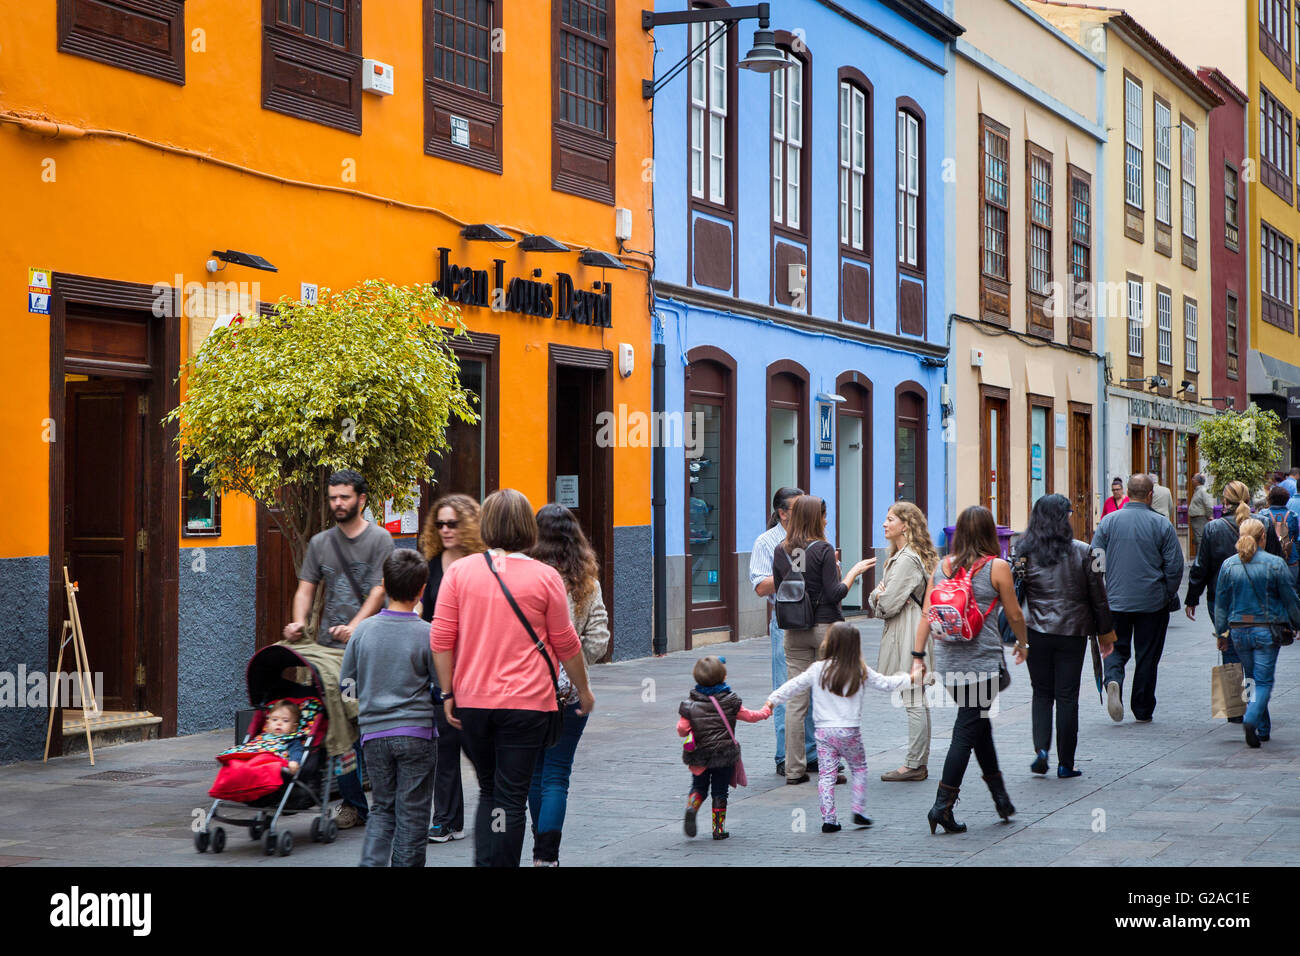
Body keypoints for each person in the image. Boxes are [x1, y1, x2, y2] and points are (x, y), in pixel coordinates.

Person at [430, 489, 594, 868]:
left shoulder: (459, 572)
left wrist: (447, 692)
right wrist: (583, 691)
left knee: (490, 791)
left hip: (472, 704)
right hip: (527, 706)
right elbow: (566, 641)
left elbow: (440, 637)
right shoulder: (545, 577)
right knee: (510, 795)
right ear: (526, 527)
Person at [284, 469, 394, 829]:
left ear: (361, 499)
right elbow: (306, 588)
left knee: (371, 726)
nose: (338, 504)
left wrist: (357, 626)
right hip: (331, 653)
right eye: (333, 498)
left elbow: (380, 590)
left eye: (344, 497)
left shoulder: (380, 541)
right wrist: (299, 621)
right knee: (342, 730)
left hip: (372, 648)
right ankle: (353, 804)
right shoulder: (320, 543)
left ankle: (384, 800)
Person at [913, 506, 1027, 834]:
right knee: (967, 730)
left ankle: (1001, 798)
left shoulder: (942, 566)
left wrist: (917, 655)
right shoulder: (997, 567)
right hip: (983, 664)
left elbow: (925, 614)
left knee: (978, 725)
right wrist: (1023, 644)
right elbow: (1015, 614)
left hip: (950, 664)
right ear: (991, 532)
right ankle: (941, 807)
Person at [766, 622, 912, 832]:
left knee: (827, 776)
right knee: (859, 768)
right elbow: (886, 683)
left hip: (824, 733)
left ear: (830, 643)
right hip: (850, 731)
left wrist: (772, 700)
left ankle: (829, 819)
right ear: (855, 646)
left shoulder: (818, 669)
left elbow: (794, 685)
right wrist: (910, 678)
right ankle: (858, 809)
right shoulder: (859, 669)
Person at [526, 503, 610, 866]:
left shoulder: (524, 578)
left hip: (526, 689)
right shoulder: (587, 583)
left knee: (533, 773)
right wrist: (574, 664)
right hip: (569, 690)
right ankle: (547, 857)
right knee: (558, 774)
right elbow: (599, 639)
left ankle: (538, 840)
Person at [341, 549, 437, 867]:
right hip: (416, 733)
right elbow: (440, 685)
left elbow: (347, 687)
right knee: (412, 814)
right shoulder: (427, 634)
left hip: (374, 736)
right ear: (422, 590)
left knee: (382, 809)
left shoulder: (363, 632)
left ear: (383, 584)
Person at [771, 495, 875, 785]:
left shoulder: (781, 550)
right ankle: (829, 769)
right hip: (825, 630)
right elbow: (834, 594)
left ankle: (794, 770)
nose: (827, 520)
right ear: (815, 518)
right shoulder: (823, 550)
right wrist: (852, 572)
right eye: (824, 515)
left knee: (795, 701)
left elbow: (781, 590)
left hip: (793, 631)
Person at [1017, 494, 1114, 778]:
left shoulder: (1023, 550)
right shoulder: (1086, 551)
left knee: (1042, 693)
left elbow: (1014, 590)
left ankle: (1041, 750)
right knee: (1067, 696)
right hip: (1073, 632)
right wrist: (1106, 634)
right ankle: (1065, 763)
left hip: (1036, 631)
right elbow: (1100, 597)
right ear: (1065, 518)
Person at [418, 494, 485, 845]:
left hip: (477, 667)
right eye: (439, 523)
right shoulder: (431, 566)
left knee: (477, 748)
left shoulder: (482, 564)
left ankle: (498, 806)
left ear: (469, 525)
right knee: (444, 746)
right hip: (441, 668)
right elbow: (424, 615)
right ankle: (446, 820)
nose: (445, 530)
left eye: (452, 524)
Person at [1091, 474, 1183, 723]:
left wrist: (1100, 595)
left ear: (1128, 493)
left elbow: (1095, 561)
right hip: (1152, 603)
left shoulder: (1108, 522)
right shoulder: (1162, 525)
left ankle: (1113, 679)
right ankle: (1141, 707)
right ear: (1151, 495)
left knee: (1115, 648)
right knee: (1147, 655)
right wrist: (1167, 593)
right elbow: (1175, 566)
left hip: (1116, 601)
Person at [1213, 514, 1300, 747]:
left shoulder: (1229, 565)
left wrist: (1221, 633)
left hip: (1239, 631)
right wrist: (1297, 624)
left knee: (1250, 678)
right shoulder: (1274, 563)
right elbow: (1290, 599)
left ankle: (1262, 728)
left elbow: (1220, 603)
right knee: (1262, 681)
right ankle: (1251, 719)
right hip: (1266, 630)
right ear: (1263, 537)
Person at [868, 501, 939, 782]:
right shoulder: (904, 555)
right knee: (915, 697)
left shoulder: (907, 559)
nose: (884, 524)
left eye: (889, 519)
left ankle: (914, 764)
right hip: (909, 628)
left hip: (908, 631)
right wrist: (880, 595)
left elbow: (886, 604)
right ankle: (917, 761)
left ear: (905, 525)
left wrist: (875, 596)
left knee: (912, 698)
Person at [748, 486, 815, 776]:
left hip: (813, 618)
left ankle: (809, 753)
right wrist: (791, 572)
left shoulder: (810, 538)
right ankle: (784, 755)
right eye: (797, 508)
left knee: (812, 688)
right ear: (783, 513)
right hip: (785, 619)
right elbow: (761, 586)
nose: (803, 514)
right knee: (785, 687)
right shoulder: (766, 542)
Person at [677, 655, 771, 840]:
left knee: (699, 787)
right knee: (720, 792)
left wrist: (690, 731)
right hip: (724, 755)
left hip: (699, 755)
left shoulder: (690, 704)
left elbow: (681, 729)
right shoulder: (730, 700)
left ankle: (692, 807)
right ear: (723, 677)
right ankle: (718, 829)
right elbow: (751, 716)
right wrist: (766, 710)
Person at [1185, 480, 1254, 724]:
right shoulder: (1261, 525)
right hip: (1254, 598)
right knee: (1253, 653)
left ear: (1223, 502)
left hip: (1221, 599)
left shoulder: (1214, 529)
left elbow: (1201, 567)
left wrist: (1192, 597)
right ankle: (1254, 705)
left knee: (1229, 647)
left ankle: (1234, 708)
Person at [1257, 485, 1300, 580]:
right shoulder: (1293, 515)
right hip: (1290, 558)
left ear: (1270, 499)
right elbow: (1295, 537)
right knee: (1291, 591)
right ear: (1286, 499)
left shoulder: (1263, 515)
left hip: (1268, 558)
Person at [261, 701, 305, 777]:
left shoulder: (291, 740)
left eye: (285, 720)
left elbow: (296, 751)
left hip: (274, 767)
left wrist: (294, 761)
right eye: (274, 719)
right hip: (256, 762)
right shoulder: (262, 737)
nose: (279, 723)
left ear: (294, 727)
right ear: (268, 724)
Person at [1188, 474, 1214, 553]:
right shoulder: (1198, 491)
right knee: (1198, 539)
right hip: (1196, 519)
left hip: (1200, 519)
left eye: (1193, 478)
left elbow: (1209, 505)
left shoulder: (1203, 491)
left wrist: (1209, 515)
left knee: (1200, 539)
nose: (1192, 480)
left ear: (1198, 481)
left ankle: (1199, 561)